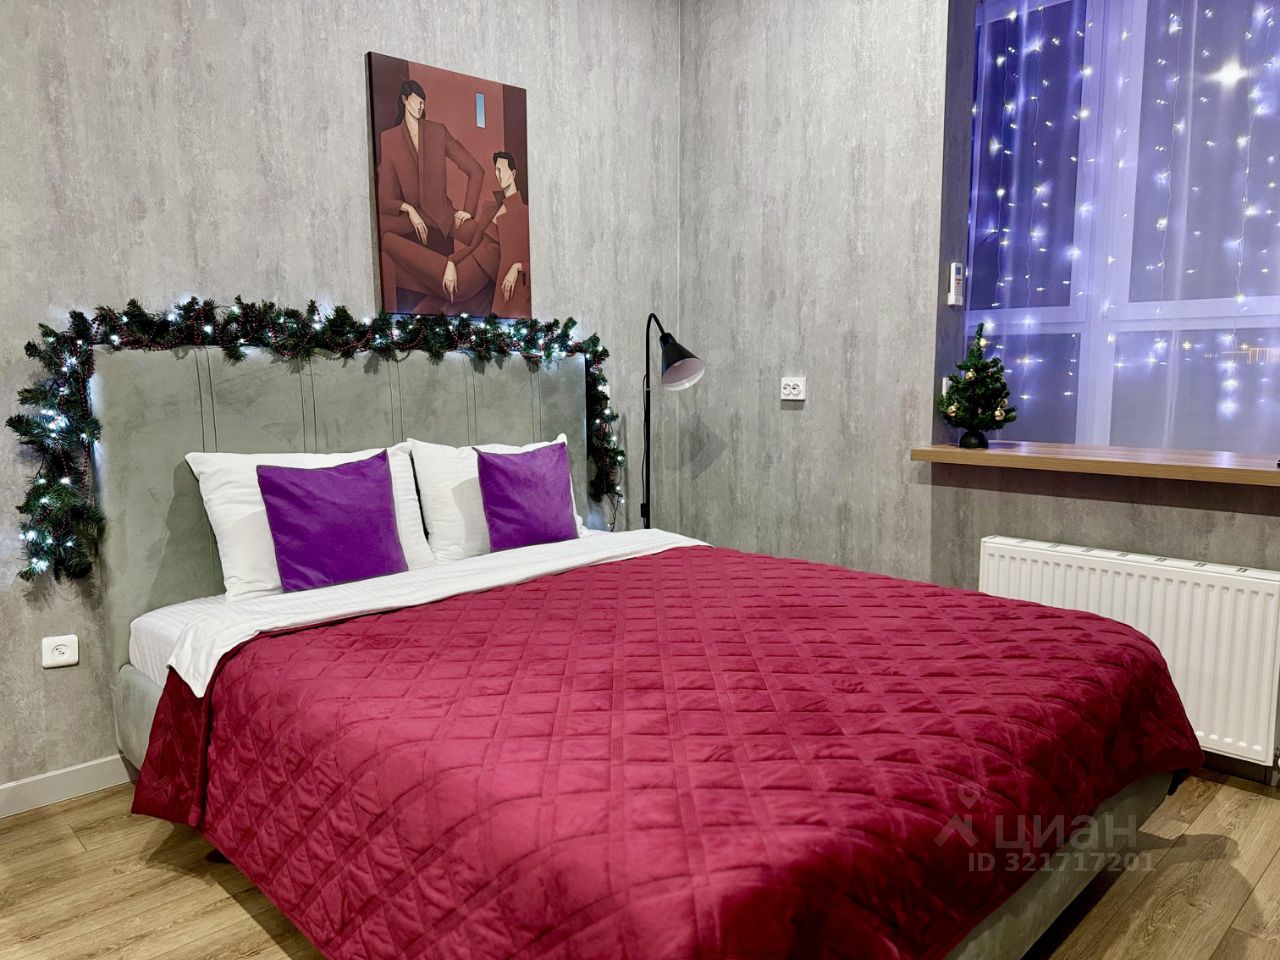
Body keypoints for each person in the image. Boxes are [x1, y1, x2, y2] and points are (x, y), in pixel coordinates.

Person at [377, 78, 486, 259]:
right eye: (417, 101)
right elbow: (385, 198)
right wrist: (409, 210)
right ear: (404, 99)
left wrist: (468, 211)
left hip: (444, 218)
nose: (421, 106)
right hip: (409, 219)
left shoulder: (437, 131)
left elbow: (476, 170)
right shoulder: (389, 138)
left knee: (486, 240)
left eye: (423, 102)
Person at [441, 151, 532, 317]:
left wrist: (517, 267)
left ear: (513, 174)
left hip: (496, 287)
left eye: (501, 170)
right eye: (496, 170)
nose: (498, 175)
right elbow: (475, 245)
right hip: (470, 273)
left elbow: (539, 261)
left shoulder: (525, 214)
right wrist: (451, 261)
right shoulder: (490, 208)